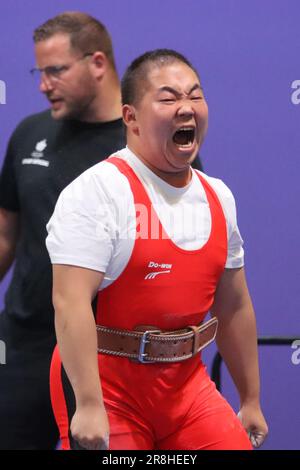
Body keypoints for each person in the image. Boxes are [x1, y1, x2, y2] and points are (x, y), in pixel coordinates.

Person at [46, 49, 268, 451]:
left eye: (195, 96)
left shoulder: (219, 197)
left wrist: (250, 399)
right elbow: (69, 300)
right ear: (130, 117)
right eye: (168, 99)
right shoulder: (97, 192)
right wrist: (90, 404)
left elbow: (233, 304)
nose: (186, 107)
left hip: (186, 387)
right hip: (109, 388)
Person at [0, 12, 126, 450]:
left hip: (109, 356)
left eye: (56, 71)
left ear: (97, 64)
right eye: (39, 71)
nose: (43, 84)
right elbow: (6, 235)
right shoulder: (29, 133)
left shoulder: (148, 145)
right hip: (25, 347)